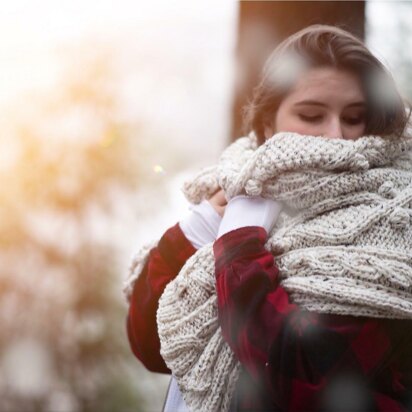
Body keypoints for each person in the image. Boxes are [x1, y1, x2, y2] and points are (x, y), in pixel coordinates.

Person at [124, 24, 412, 411]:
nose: (335, 136)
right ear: (266, 126)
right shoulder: (234, 192)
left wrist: (240, 249)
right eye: (311, 115)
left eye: (354, 117)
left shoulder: (393, 226)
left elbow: (307, 379)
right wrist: (198, 230)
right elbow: (151, 345)